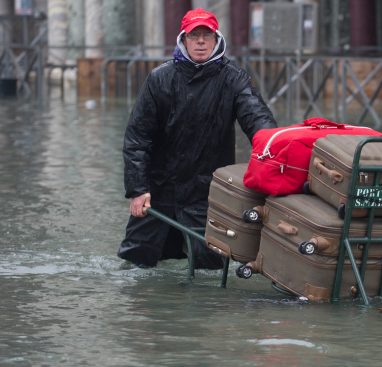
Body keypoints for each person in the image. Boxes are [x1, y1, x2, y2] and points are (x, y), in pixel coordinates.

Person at [118, 8, 277, 269]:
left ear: (216, 40)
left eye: (206, 35)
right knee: (135, 262)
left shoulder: (234, 79)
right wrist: (137, 189)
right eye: (194, 35)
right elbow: (137, 139)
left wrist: (272, 146)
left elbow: (257, 119)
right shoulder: (159, 79)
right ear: (184, 39)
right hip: (157, 190)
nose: (200, 41)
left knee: (211, 267)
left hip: (206, 191)